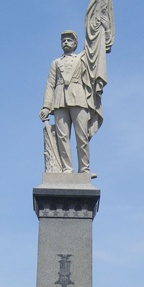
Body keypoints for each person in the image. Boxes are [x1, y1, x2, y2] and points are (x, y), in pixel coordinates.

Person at [39, 30, 96, 177]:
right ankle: (67, 169)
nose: (66, 42)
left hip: (78, 98)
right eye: (63, 40)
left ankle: (84, 169)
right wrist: (46, 106)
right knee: (62, 137)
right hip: (59, 101)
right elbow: (49, 85)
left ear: (76, 43)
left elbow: (94, 52)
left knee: (81, 135)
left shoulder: (81, 59)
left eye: (69, 40)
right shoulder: (55, 63)